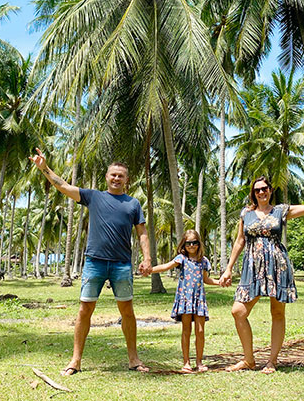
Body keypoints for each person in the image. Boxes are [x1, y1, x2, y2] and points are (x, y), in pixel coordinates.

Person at [29, 148, 152, 375]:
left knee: (127, 311)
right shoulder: (94, 196)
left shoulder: (133, 204)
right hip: (94, 262)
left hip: (121, 264)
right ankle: (75, 360)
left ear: (127, 180)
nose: (116, 178)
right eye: (113, 174)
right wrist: (44, 168)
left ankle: (134, 359)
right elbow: (63, 186)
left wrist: (147, 258)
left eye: (121, 175)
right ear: (107, 177)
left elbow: (142, 233)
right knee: (85, 310)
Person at [219, 176, 304, 373]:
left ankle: (272, 361)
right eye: (257, 190)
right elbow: (239, 241)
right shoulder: (246, 213)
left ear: (270, 190)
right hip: (252, 267)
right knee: (238, 311)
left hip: (277, 266)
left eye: (264, 189)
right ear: (253, 193)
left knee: (277, 313)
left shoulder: (280, 211)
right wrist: (228, 268)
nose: (261, 192)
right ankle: (248, 360)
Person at [149, 229, 219, 373]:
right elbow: (165, 266)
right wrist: (150, 270)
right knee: (186, 330)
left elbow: (206, 279)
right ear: (184, 244)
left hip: (199, 299)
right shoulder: (181, 259)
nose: (191, 246)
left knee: (200, 331)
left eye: (194, 242)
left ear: (199, 244)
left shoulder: (204, 261)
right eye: (188, 243)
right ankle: (186, 362)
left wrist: (219, 282)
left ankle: (199, 362)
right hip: (185, 299)